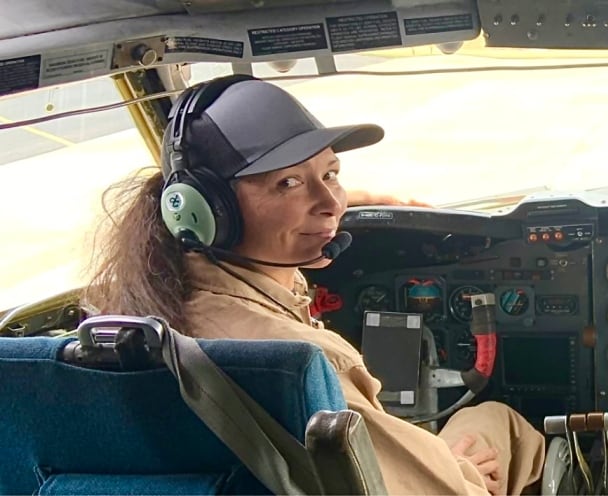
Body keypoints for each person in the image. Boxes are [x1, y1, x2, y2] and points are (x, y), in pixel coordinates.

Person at [86, 75, 545, 495]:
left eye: (331, 174)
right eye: (287, 183)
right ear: (208, 211)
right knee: (493, 420)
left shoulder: (126, 314)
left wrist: (313, 200)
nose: (329, 203)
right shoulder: (302, 364)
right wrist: (459, 472)